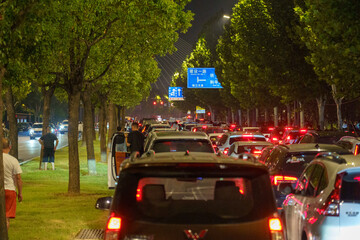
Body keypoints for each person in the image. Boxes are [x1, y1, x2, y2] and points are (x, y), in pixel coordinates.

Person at [2, 138, 23, 229]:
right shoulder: (13, 160)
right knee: (6, 218)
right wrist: (20, 193)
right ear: (10, 147)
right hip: (10, 190)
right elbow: (18, 178)